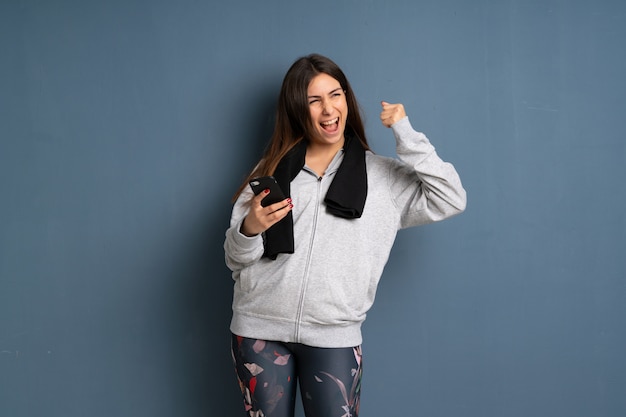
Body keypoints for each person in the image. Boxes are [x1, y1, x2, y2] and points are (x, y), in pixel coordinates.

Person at [224, 53, 466, 417]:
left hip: (333, 335)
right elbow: (235, 259)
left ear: (347, 100)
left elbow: (451, 198)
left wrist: (405, 133)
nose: (328, 109)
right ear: (296, 110)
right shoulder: (270, 171)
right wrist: (250, 229)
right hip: (258, 330)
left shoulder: (383, 178)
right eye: (314, 100)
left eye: (335, 95)